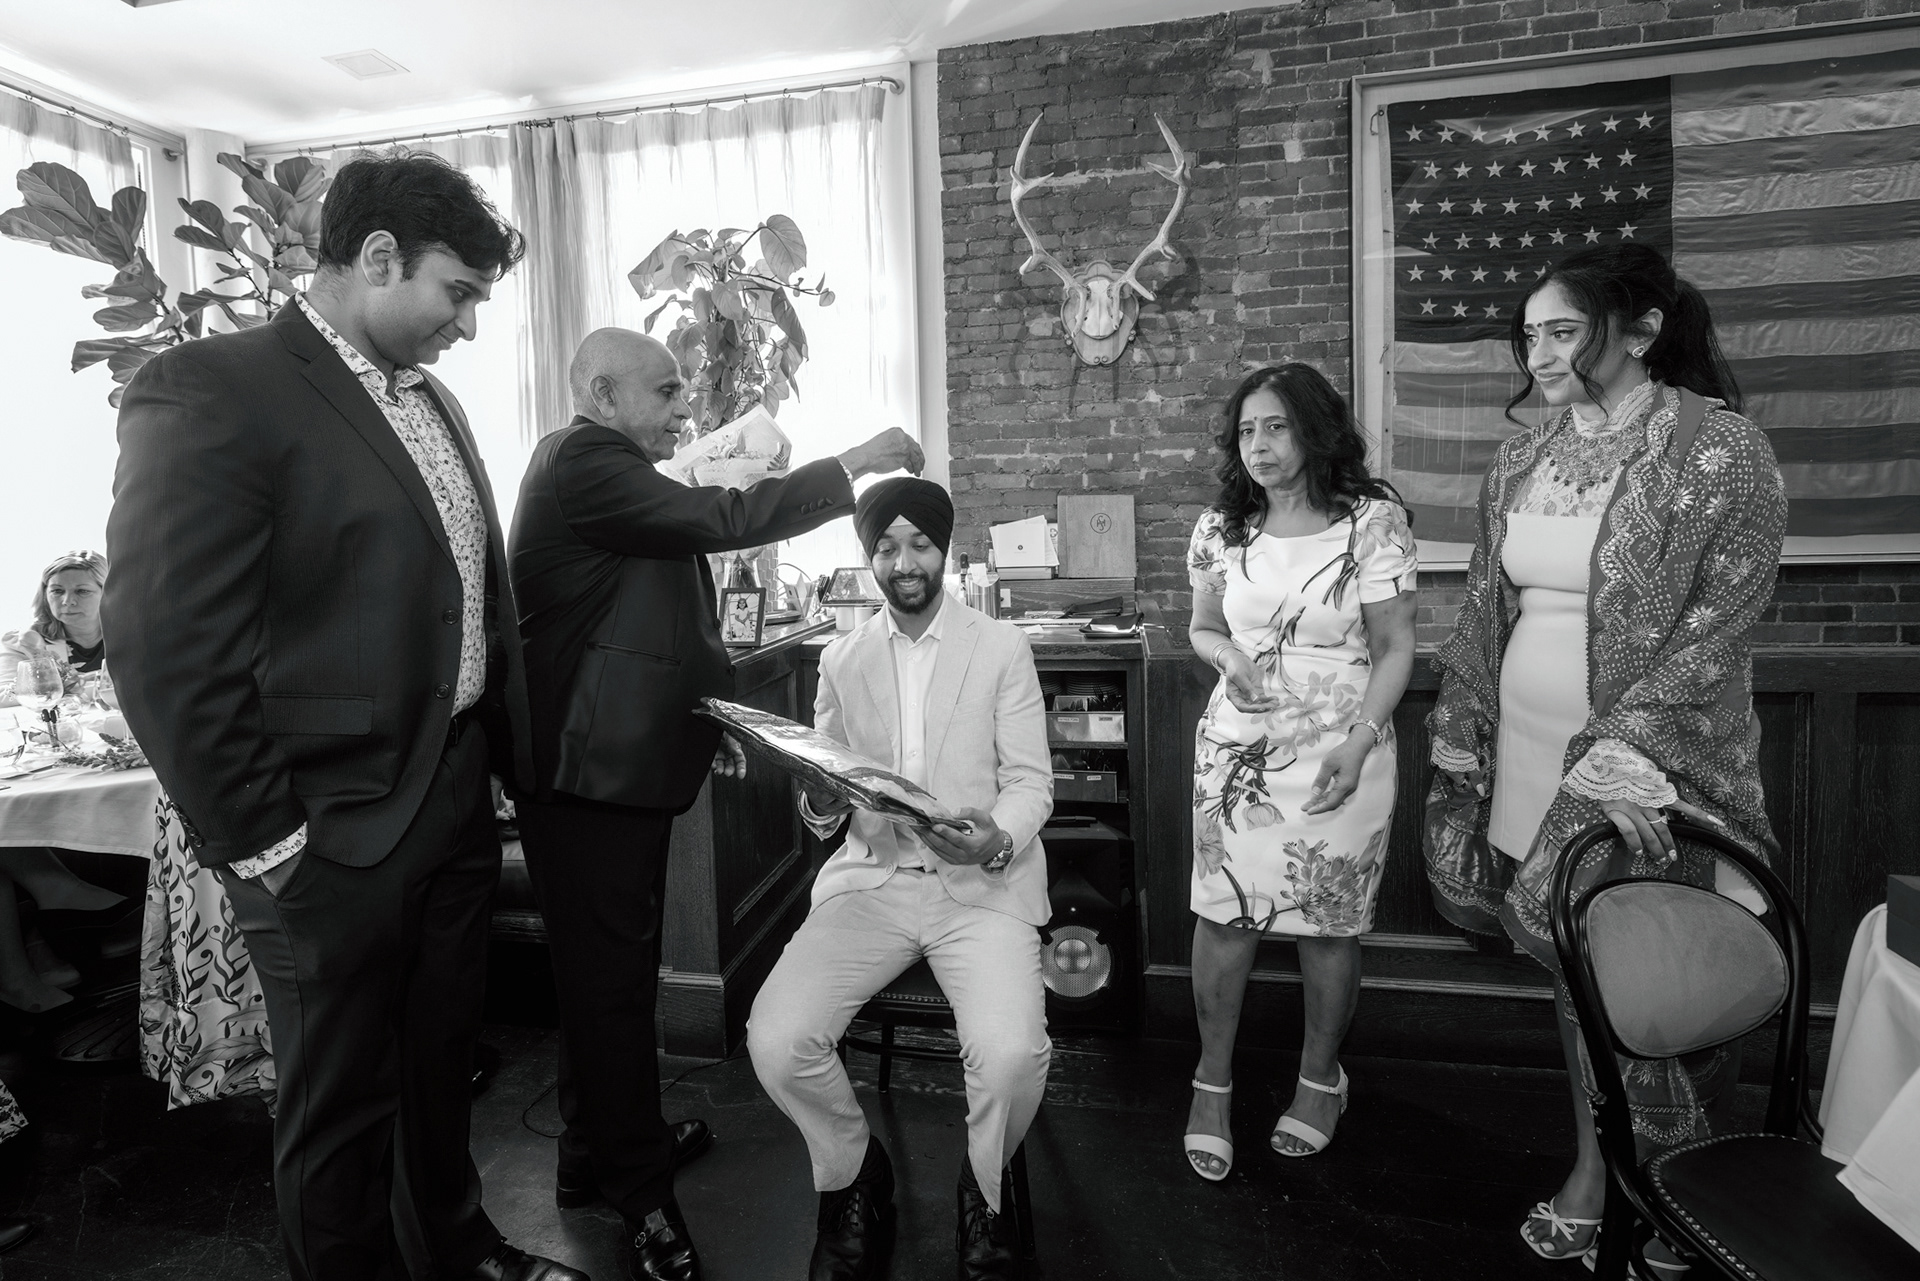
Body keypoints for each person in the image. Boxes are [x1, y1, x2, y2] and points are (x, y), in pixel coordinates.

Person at [104, 154, 579, 1281]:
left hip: (451, 793)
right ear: (376, 257)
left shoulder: (432, 399)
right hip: (322, 828)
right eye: (458, 292)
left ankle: (456, 1248)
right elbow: (165, 646)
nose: (468, 324)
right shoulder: (211, 387)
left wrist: (493, 765)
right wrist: (268, 842)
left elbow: (465, 593)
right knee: (340, 1105)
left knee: (439, 1062)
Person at [508, 326, 923, 1281]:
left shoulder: (608, 469)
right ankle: (641, 1194)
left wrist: (706, 715)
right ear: (602, 395)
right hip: (584, 780)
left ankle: (591, 1153)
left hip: (610, 772)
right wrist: (853, 463)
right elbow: (725, 515)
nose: (683, 407)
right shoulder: (585, 460)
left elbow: (649, 608)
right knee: (612, 987)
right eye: (665, 391)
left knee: (604, 975)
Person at [1424, 244, 1786, 1273]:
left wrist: (1626, 755)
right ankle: (1594, 1167)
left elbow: (1722, 624)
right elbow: (1488, 603)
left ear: (1640, 331)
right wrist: (1468, 722)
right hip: (1532, 756)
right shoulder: (1522, 455)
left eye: (1562, 332)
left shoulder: (1721, 448)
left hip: (1653, 761)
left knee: (1657, 971)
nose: (1538, 354)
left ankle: (1678, 1186)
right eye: (1529, 334)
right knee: (1571, 965)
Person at [747, 478, 1053, 1281]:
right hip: (874, 881)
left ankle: (983, 1187)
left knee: (1011, 1055)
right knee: (776, 1040)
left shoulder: (1000, 646)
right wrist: (819, 798)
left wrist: (996, 836)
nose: (903, 561)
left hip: (982, 888)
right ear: (868, 555)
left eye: (919, 543)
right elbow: (826, 794)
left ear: (944, 549)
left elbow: (1032, 783)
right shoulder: (841, 657)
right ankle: (853, 1172)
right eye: (885, 546)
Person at [1180, 364, 1418, 1181]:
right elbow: (1203, 627)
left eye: (1276, 426)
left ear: (1316, 430)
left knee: (1329, 922)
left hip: (1342, 749)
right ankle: (1210, 1084)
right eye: (1247, 430)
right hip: (1237, 752)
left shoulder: (1372, 524)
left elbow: (1396, 646)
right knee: (1223, 916)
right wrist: (1228, 657)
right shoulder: (1221, 528)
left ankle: (1320, 1080)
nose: (1260, 445)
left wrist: (1361, 739)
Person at [1, 550, 111, 676]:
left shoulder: (130, 636)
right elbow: (7, 688)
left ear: (108, 593)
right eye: (57, 591)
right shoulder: (24, 643)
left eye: (82, 591)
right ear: (45, 595)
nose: (67, 601)